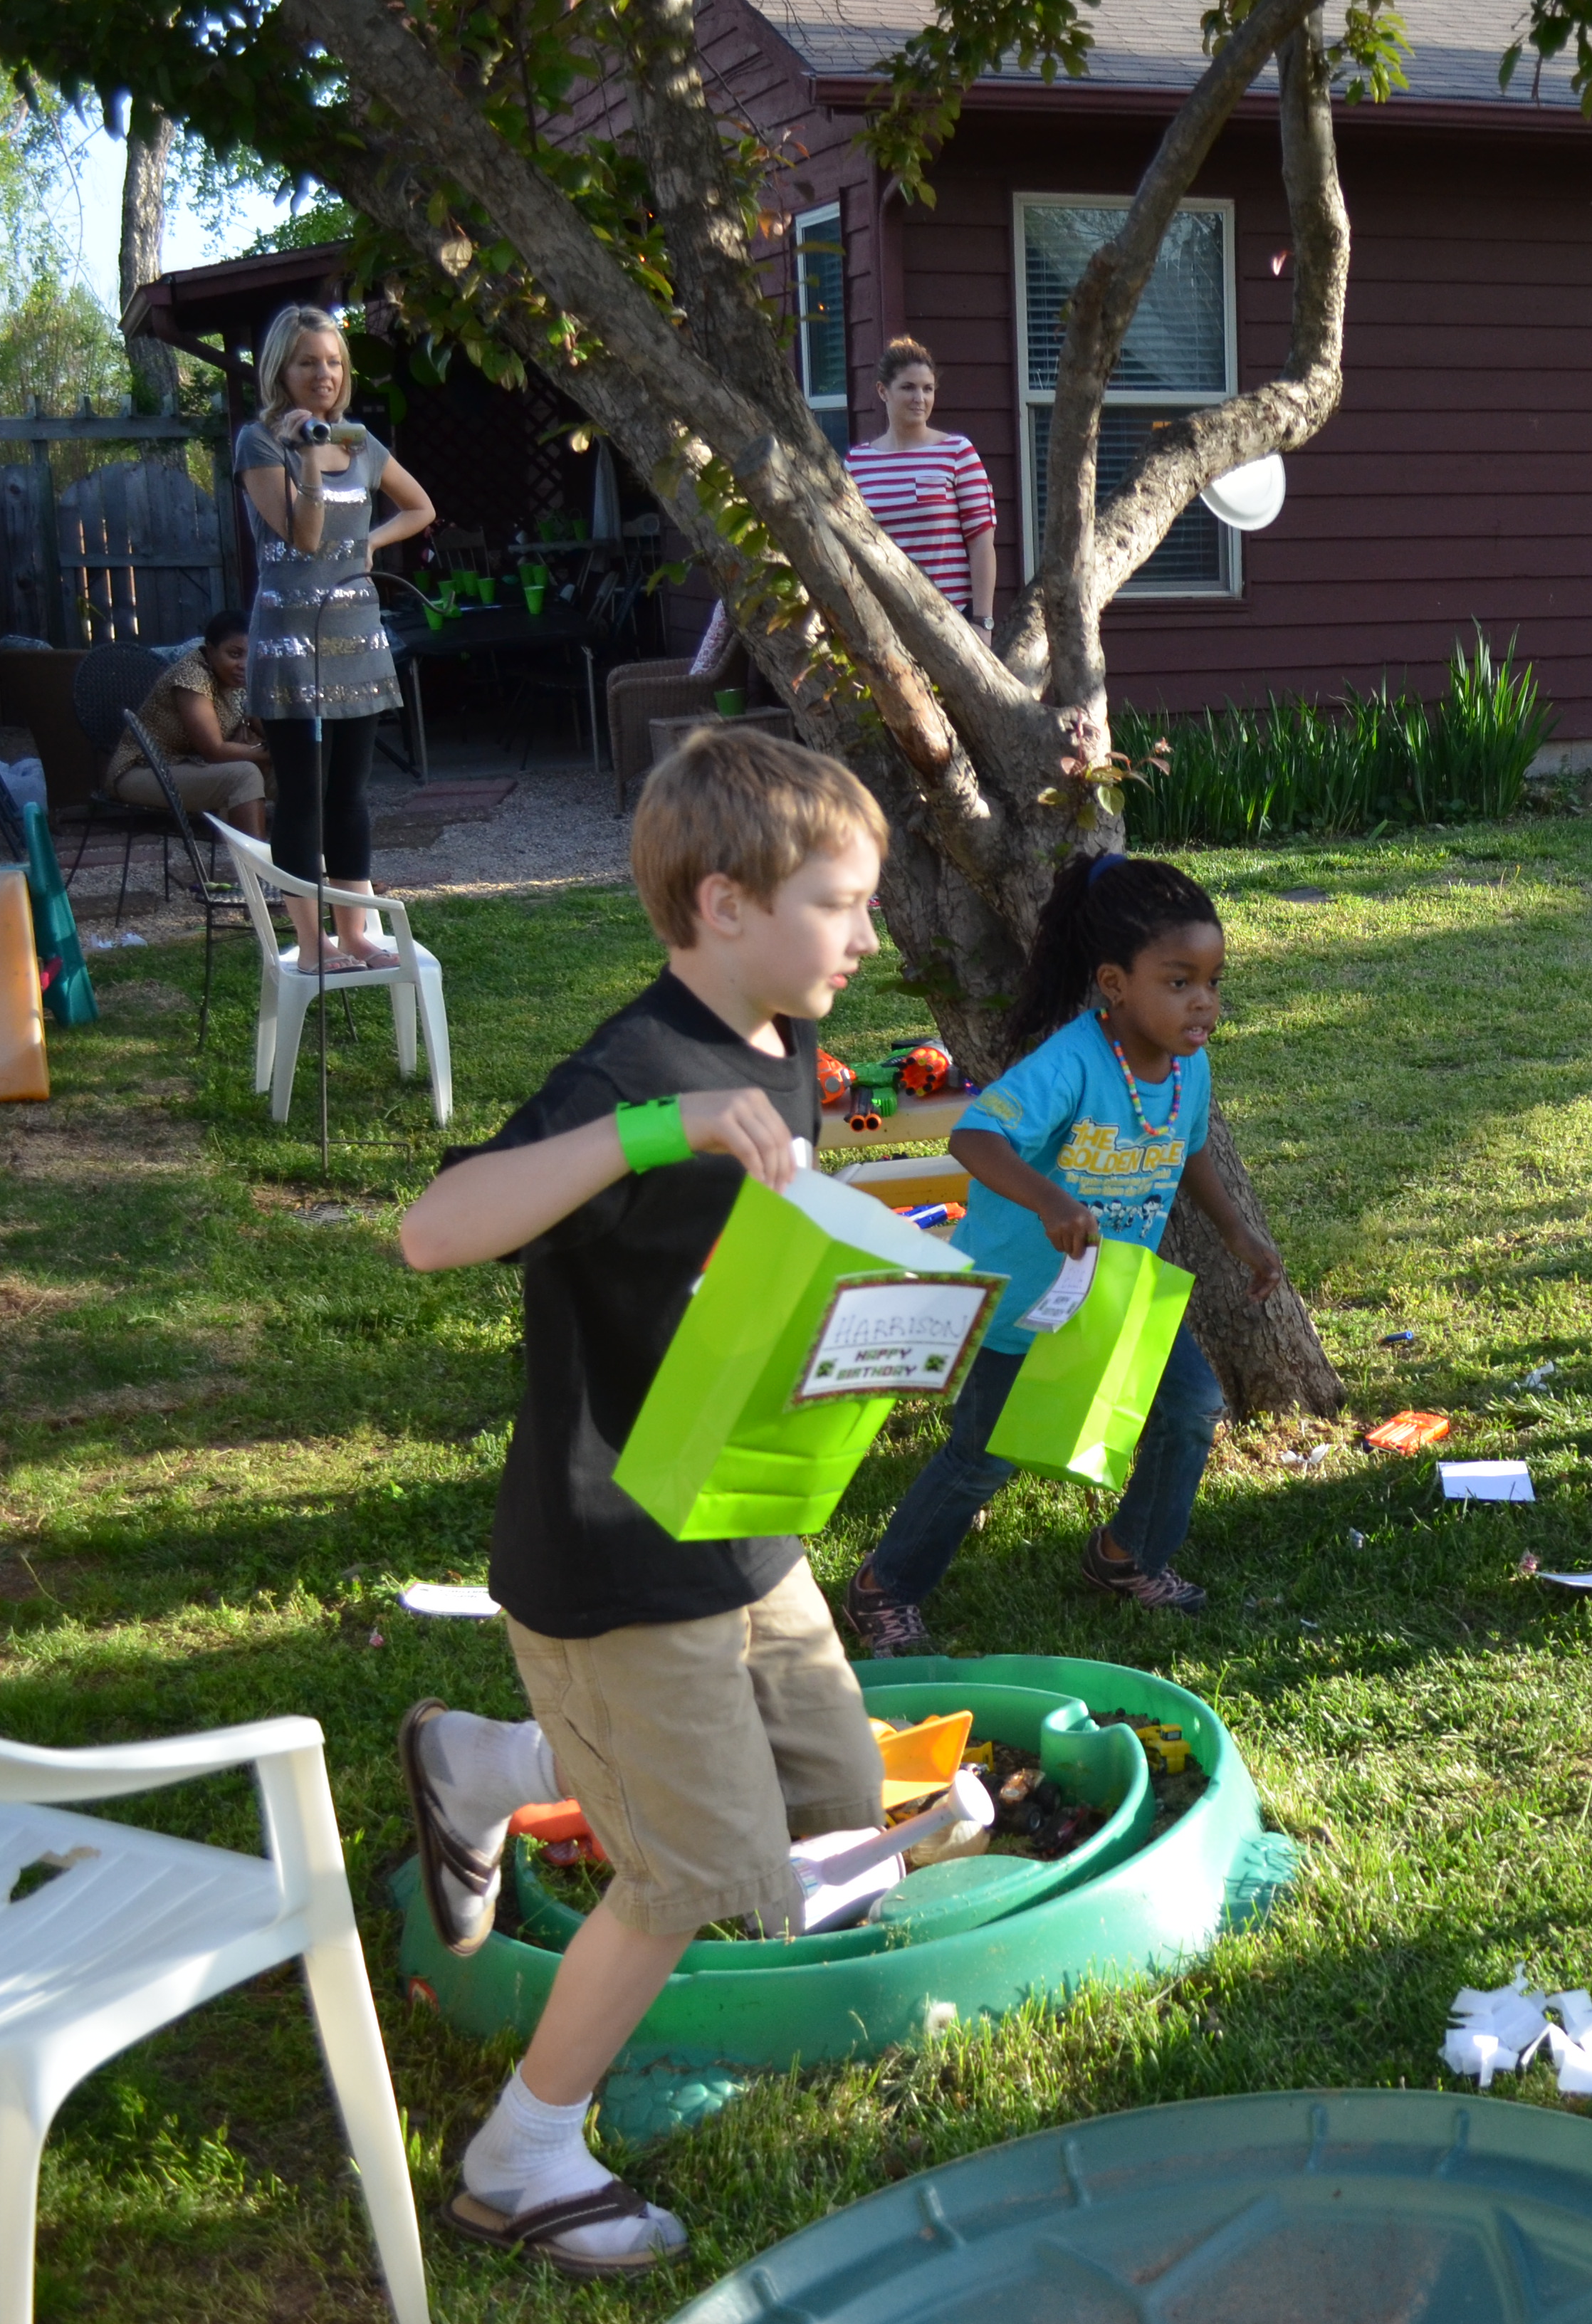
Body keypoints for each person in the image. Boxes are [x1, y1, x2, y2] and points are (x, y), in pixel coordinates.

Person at [390, 727, 894, 2281]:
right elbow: (433, 1230)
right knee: (687, 1873)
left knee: (830, 1798)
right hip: (614, 1545)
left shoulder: (780, 1036)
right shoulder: (634, 1071)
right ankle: (520, 2156)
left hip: (739, 1513)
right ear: (725, 904)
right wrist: (643, 1133)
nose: (869, 938)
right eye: (841, 905)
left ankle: (488, 1764)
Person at [844, 854, 1287, 1641]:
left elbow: (1189, 1152)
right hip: (1022, 1301)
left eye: (1213, 982)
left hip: (1115, 1295)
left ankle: (1126, 1554)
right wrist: (1050, 1200)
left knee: (1190, 1408)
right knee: (983, 1458)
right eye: (1179, 981)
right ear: (1115, 984)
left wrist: (1236, 1231)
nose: (1203, 1002)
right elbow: (975, 1137)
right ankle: (884, 1586)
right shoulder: (1071, 1064)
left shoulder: (1188, 1070)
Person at [236, 303, 435, 970]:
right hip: (292, 645)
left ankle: (354, 935)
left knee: (349, 796)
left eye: (333, 363)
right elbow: (305, 536)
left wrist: (371, 543)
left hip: (358, 638)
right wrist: (309, 460)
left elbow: (421, 507)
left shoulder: (359, 442)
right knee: (303, 797)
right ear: (281, 370)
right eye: (308, 363)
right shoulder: (261, 443)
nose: (324, 375)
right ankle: (313, 944)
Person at [846, 337, 997, 635]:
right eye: (908, 387)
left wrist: (982, 622)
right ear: (883, 391)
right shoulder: (856, 463)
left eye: (928, 389)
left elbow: (982, 543)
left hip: (951, 622)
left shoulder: (957, 452)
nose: (920, 398)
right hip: (881, 623)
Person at [102, 610, 269, 835]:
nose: (245, 665)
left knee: (302, 770)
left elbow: (264, 726)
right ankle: (253, 859)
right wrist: (275, 752)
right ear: (210, 650)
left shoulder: (241, 679)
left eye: (253, 655)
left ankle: (301, 855)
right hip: (142, 769)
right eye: (235, 654)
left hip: (191, 767)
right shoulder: (192, 677)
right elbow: (214, 751)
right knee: (245, 776)